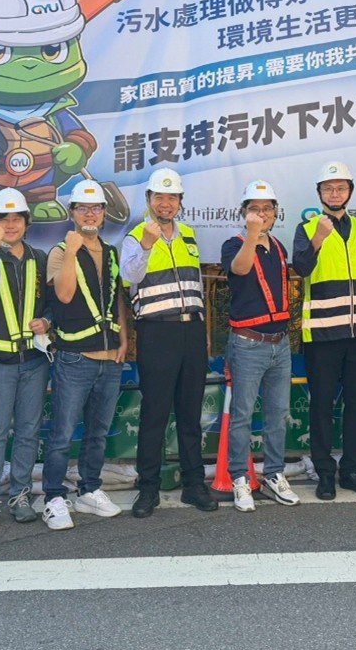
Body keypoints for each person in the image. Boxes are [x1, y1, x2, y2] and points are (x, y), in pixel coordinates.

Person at [120, 169, 216, 517]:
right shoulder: (134, 236)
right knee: (155, 414)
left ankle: (194, 485)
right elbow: (128, 276)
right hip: (156, 333)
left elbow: (196, 285)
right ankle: (148, 489)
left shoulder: (189, 234)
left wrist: (204, 328)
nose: (165, 203)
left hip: (192, 333)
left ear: (179, 202)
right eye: (159, 197)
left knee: (190, 414)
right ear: (149, 200)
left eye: (172, 197)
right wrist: (147, 245)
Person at [41, 179, 129, 531]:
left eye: (96, 208)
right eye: (83, 208)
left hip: (110, 358)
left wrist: (124, 339)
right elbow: (63, 295)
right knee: (62, 434)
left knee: (98, 431)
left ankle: (89, 489)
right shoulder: (60, 252)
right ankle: (53, 496)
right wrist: (73, 252)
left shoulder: (111, 252)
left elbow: (117, 298)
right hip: (75, 358)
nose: (90, 214)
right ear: (72, 213)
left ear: (104, 213)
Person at [291, 160, 356, 500]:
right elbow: (301, 269)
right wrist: (317, 239)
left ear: (350, 192)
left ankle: (352, 471)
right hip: (322, 335)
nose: (334, 193)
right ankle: (325, 473)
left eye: (341, 188)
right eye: (328, 188)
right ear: (319, 193)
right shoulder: (307, 227)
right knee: (322, 407)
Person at [0, 187, 52, 530]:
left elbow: (53, 304)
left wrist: (47, 321)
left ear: (27, 223)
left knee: (29, 431)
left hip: (34, 360)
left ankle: (20, 495)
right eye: (3, 219)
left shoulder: (40, 259)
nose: (11, 224)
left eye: (17, 218)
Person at [221, 180, 299, 511]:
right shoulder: (234, 244)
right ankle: (240, 478)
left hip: (279, 343)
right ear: (244, 212)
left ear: (276, 212)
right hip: (247, 344)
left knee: (278, 414)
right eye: (254, 208)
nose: (262, 214)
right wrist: (253, 235)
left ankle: (274, 474)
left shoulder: (278, 246)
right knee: (242, 415)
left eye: (267, 209)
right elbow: (240, 269)